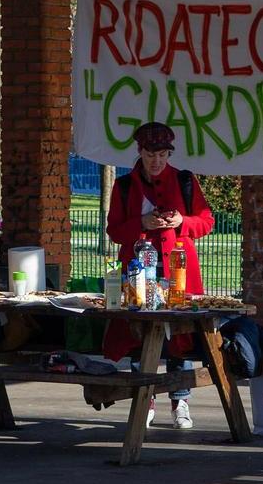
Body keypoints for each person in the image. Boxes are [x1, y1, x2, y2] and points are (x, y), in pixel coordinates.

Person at [105, 121, 215, 430]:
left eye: (163, 155)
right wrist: (142, 223)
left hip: (179, 271)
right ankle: (147, 397)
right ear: (139, 152)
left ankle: (180, 401)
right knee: (140, 336)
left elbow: (207, 222)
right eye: (151, 154)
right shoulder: (124, 186)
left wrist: (182, 222)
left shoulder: (185, 181)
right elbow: (114, 231)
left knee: (180, 337)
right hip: (138, 272)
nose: (157, 162)